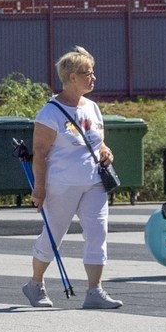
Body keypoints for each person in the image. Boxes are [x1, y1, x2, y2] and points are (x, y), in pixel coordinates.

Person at [26, 47, 122, 310]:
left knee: (98, 232)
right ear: (71, 77)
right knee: (54, 234)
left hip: (94, 182)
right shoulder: (50, 113)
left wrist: (106, 152)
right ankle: (35, 283)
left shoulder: (92, 107)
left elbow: (98, 142)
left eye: (92, 72)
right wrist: (39, 188)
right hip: (61, 184)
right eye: (87, 73)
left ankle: (95, 290)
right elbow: (40, 153)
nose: (93, 77)